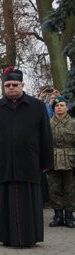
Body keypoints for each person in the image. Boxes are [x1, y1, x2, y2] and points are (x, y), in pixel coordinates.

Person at [0, 67, 53, 247]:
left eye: (15, 85)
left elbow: (46, 135)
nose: (11, 88)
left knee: (29, 202)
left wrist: (46, 162)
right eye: (7, 85)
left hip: (29, 162)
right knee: (6, 201)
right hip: (5, 162)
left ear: (22, 85)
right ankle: (7, 237)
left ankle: (30, 237)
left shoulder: (37, 106)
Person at [48, 96, 75, 228]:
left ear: (67, 107)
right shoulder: (48, 124)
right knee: (54, 189)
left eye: (62, 105)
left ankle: (69, 216)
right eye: (57, 106)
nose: (59, 107)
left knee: (70, 189)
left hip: (70, 160)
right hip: (53, 160)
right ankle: (58, 215)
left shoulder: (73, 123)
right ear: (54, 108)